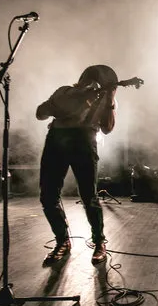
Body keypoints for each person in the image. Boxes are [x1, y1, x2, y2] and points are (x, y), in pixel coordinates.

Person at [36, 64, 119, 266]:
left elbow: (107, 129)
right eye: (89, 80)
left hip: (84, 141)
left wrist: (108, 98)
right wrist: (61, 106)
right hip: (56, 140)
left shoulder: (105, 99)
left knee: (89, 196)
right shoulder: (64, 92)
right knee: (48, 195)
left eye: (98, 82)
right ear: (81, 80)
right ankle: (62, 241)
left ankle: (99, 242)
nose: (92, 84)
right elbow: (40, 113)